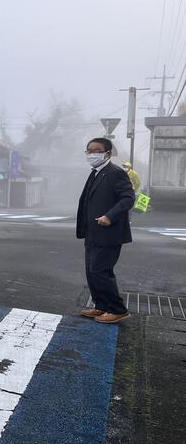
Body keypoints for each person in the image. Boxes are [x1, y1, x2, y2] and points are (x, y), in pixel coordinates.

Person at [77, 138, 135, 324]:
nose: (92, 154)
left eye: (97, 150)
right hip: (92, 231)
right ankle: (101, 305)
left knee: (101, 271)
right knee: (91, 271)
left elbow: (128, 198)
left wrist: (110, 216)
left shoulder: (115, 173)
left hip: (108, 232)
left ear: (108, 153)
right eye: (89, 151)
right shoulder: (96, 173)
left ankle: (118, 310)